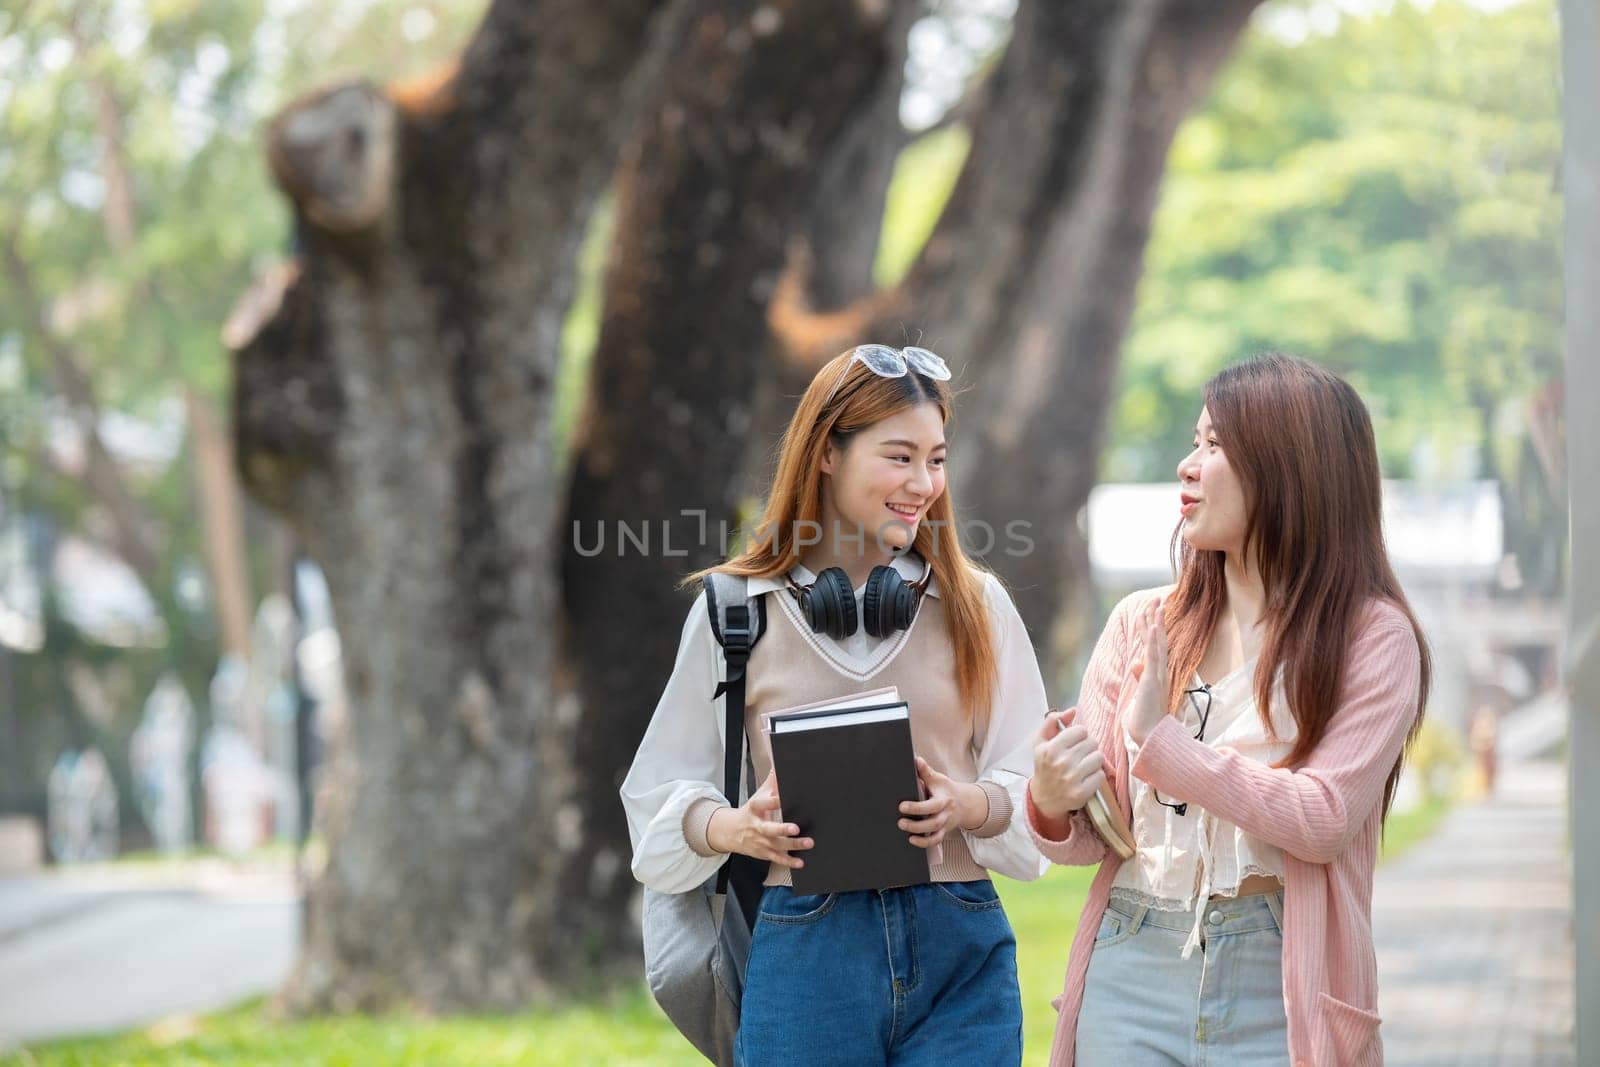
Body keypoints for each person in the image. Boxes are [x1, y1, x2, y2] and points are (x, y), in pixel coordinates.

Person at [622, 344, 1049, 1066]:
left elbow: (1036, 792)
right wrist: (736, 826)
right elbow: (657, 797)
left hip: (961, 944)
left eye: (937, 459)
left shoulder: (977, 605)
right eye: (899, 457)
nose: (924, 483)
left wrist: (970, 806)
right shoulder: (736, 612)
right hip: (807, 947)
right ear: (827, 452)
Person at [1026, 354, 1431, 1067]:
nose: (1188, 465)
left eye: (1215, 446)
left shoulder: (1373, 636)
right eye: (1195, 440)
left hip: (1278, 981)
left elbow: (1324, 818)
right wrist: (1051, 799)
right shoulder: (1141, 622)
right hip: (1134, 955)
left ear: (1289, 470)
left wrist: (1161, 741)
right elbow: (1097, 836)